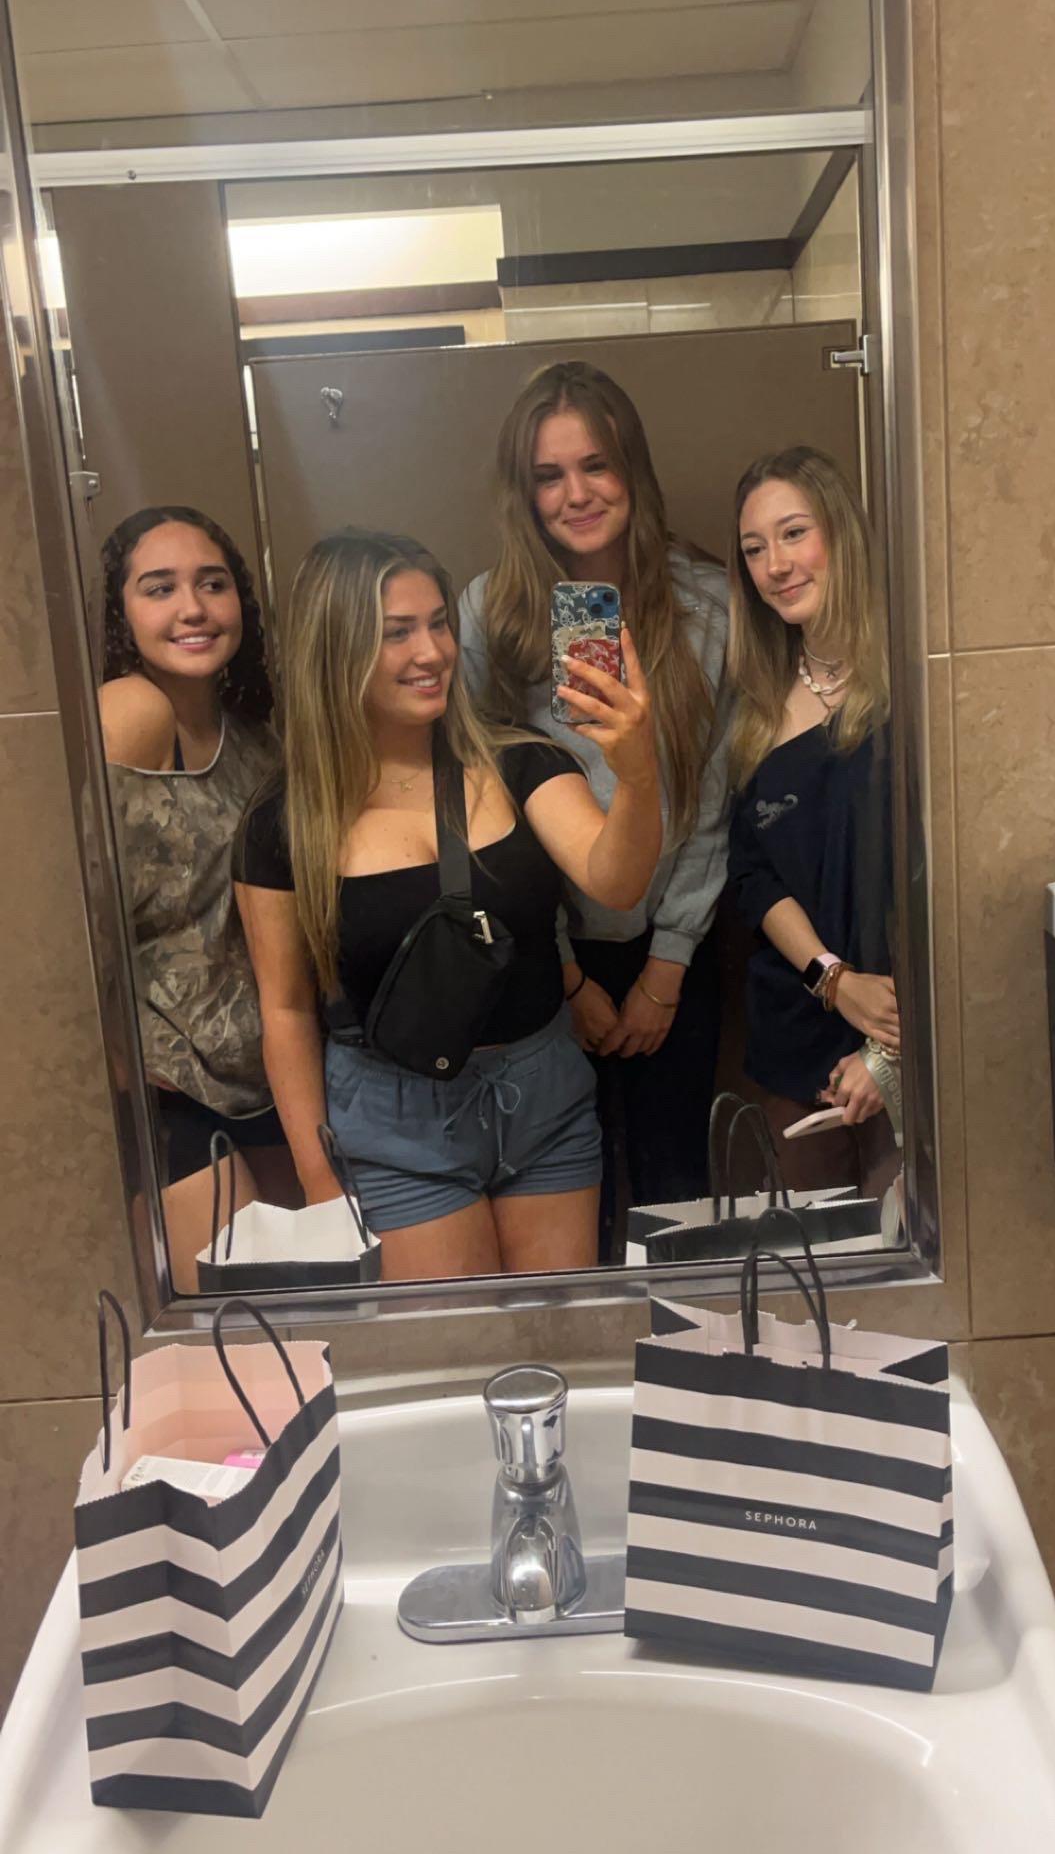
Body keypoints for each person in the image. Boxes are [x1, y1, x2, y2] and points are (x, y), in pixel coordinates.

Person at [233, 528, 661, 1283]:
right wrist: (317, 1178)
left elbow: (616, 880)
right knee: (450, 1363)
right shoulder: (283, 825)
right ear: (334, 651)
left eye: (438, 624)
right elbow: (287, 1011)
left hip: (545, 1103)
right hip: (392, 1122)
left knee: (552, 1348)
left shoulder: (520, 761)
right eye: (396, 633)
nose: (430, 652)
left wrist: (638, 775)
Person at [459, 360, 730, 1248]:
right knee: (565, 1195)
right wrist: (565, 971)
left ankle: (679, 1374)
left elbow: (715, 793)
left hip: (676, 948)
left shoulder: (709, 605)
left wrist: (668, 967)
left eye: (597, 465)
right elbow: (482, 813)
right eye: (549, 474)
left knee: (675, 1187)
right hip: (543, 963)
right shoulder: (489, 616)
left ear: (632, 471)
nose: (576, 493)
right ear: (524, 491)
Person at [98, 505, 289, 1290]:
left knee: (313, 1322)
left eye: (212, 584)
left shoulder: (254, 733)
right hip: (175, 1087)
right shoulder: (130, 712)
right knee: (242, 1333)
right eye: (159, 588)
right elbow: (77, 918)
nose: (192, 608)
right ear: (120, 614)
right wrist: (123, 1068)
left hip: (269, 1074)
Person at [725, 446, 900, 1199]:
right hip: (796, 1039)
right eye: (755, 549)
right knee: (815, 1280)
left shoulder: (913, 677)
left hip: (910, 1032)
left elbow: (944, 874)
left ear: (841, 536)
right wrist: (833, 981)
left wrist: (892, 1052)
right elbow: (750, 875)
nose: (776, 565)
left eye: (794, 534)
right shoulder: (755, 704)